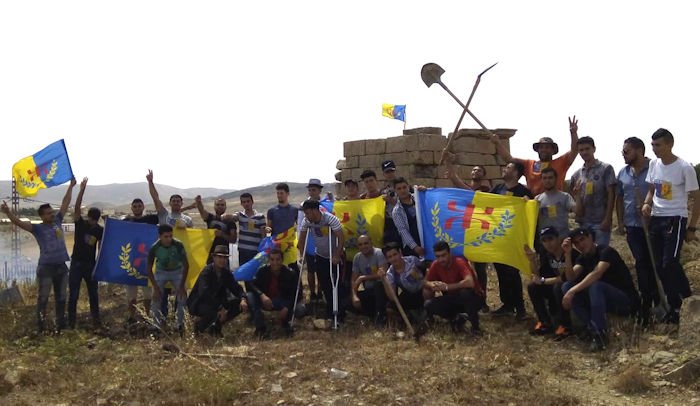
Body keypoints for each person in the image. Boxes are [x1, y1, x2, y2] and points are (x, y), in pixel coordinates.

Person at [1, 178, 76, 333]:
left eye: (52, 212)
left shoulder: (58, 221)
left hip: (61, 266)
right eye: (49, 213)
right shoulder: (37, 229)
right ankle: (41, 327)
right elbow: (18, 223)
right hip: (46, 268)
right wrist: (8, 212)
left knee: (62, 297)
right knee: (43, 298)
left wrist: (71, 186)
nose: (52, 215)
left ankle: (61, 326)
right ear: (42, 216)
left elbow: (65, 202)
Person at [642, 128, 699, 325]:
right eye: (652, 145)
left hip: (675, 218)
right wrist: (647, 203)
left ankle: (683, 299)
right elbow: (652, 189)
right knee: (659, 265)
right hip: (657, 218)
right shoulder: (653, 164)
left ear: (669, 145)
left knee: (670, 263)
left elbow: (696, 198)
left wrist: (691, 227)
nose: (654, 149)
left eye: (658, 145)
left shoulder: (684, 167)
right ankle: (676, 304)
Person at [561, 228, 640, 351]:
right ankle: (591, 329)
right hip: (602, 300)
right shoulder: (583, 258)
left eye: (583, 239)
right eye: (577, 243)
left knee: (595, 286)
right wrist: (567, 254)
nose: (581, 244)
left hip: (624, 300)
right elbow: (570, 277)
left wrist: (572, 292)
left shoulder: (606, 251)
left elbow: (596, 274)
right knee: (566, 286)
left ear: (591, 237)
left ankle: (600, 334)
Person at [615, 137, 658, 326]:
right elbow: (619, 199)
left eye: (627, 151)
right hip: (633, 226)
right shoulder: (623, 173)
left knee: (656, 264)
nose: (623, 154)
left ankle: (662, 301)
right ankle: (646, 304)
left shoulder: (655, 168)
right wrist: (621, 222)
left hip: (655, 225)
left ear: (639, 150)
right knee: (641, 264)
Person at [491, 116, 579, 195]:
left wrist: (573, 133)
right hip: (533, 206)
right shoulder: (528, 164)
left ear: (553, 150)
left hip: (556, 205)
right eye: (541, 147)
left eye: (547, 147)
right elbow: (508, 158)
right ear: (537, 150)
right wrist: (498, 143)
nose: (544, 150)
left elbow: (574, 150)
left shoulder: (561, 162)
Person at [490, 162, 533, 320]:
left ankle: (520, 307)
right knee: (501, 271)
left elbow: (530, 214)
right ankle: (507, 304)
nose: (504, 169)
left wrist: (528, 203)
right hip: (497, 237)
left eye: (508, 168)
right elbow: (485, 202)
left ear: (516, 173)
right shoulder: (498, 188)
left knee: (512, 273)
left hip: (514, 239)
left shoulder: (523, 191)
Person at [525, 227, 578, 340]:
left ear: (558, 239)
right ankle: (544, 322)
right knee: (532, 286)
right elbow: (538, 276)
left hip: (572, 289)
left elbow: (567, 278)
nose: (548, 243)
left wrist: (544, 281)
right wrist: (532, 260)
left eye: (550, 239)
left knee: (559, 286)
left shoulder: (570, 253)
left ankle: (565, 326)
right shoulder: (547, 255)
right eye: (544, 240)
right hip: (554, 287)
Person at [298, 199, 345, 324]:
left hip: (335, 255)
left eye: (308, 213)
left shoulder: (330, 219)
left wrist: (337, 254)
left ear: (315, 210)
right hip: (320, 255)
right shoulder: (307, 221)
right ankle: (330, 311)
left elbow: (341, 237)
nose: (306, 216)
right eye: (305, 213)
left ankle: (340, 313)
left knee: (336, 284)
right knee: (325, 285)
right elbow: (301, 238)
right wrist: (302, 254)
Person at [423, 241, 485, 335]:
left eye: (443, 255)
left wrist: (447, 287)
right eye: (438, 256)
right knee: (428, 303)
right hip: (453, 298)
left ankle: (475, 327)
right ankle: (454, 318)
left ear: (449, 253)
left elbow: (470, 282)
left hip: (474, 298)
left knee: (465, 293)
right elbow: (425, 282)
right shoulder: (436, 265)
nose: (441, 259)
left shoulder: (459, 262)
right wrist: (431, 284)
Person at [187, 245, 247, 336]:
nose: (222, 260)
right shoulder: (206, 272)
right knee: (212, 312)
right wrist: (220, 308)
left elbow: (236, 288)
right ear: (214, 257)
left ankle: (216, 327)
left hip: (218, 302)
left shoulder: (226, 273)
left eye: (225, 258)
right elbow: (204, 293)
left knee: (238, 305)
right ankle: (199, 329)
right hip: (200, 303)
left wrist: (243, 299)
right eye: (219, 257)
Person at [68, 177, 104, 329]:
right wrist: (81, 189)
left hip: (86, 264)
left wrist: (82, 189)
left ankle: (92, 321)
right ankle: (73, 323)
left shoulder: (93, 227)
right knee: (79, 295)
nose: (92, 222)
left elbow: (101, 248)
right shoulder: (83, 224)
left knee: (89, 295)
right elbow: (76, 208)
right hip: (81, 263)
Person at [569, 136, 617, 246]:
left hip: (600, 221)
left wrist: (608, 218)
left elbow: (611, 194)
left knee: (601, 253)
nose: (584, 152)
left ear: (594, 149)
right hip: (583, 222)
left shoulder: (606, 168)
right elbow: (575, 197)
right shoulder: (576, 175)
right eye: (581, 150)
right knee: (587, 254)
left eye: (587, 149)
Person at [146, 224, 189, 333]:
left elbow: (186, 265)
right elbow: (149, 268)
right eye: (166, 237)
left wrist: (182, 285)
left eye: (171, 236)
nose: (169, 239)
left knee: (182, 297)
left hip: (177, 271)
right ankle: (156, 325)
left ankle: (180, 324)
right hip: (161, 272)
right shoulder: (154, 247)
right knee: (155, 298)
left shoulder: (178, 244)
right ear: (160, 236)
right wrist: (155, 288)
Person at [122, 198, 159, 323]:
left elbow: (163, 215)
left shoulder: (151, 219)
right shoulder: (127, 221)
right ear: (131, 208)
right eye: (135, 206)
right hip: (131, 260)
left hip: (146, 261)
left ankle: (148, 316)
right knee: (131, 294)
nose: (137, 208)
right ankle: (131, 317)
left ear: (143, 207)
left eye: (139, 206)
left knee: (147, 293)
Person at [248, 248, 299, 338]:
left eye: (277, 259)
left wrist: (287, 307)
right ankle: (260, 328)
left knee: (299, 309)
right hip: (265, 300)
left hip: (281, 301)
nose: (275, 263)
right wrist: (262, 295)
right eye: (272, 259)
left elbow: (296, 294)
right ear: (268, 260)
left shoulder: (290, 273)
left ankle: (285, 325)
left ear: (282, 260)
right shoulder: (262, 271)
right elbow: (252, 285)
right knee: (250, 296)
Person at [377, 242, 427, 325]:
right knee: (390, 308)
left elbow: (426, 269)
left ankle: (426, 316)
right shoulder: (390, 273)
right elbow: (392, 297)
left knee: (426, 292)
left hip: (422, 290)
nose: (393, 258)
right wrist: (383, 279)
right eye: (390, 257)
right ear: (387, 259)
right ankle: (407, 319)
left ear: (400, 252)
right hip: (409, 294)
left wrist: (424, 280)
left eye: (395, 254)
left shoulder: (412, 260)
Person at [350, 235, 388, 326]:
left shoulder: (379, 253)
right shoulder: (357, 258)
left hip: (383, 290)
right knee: (347, 302)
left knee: (378, 285)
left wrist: (363, 278)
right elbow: (353, 280)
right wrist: (354, 296)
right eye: (360, 244)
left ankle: (381, 317)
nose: (363, 246)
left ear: (371, 243)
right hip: (368, 291)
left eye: (366, 243)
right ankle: (369, 315)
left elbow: (383, 274)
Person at [535, 167, 576, 239]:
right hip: (545, 241)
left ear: (556, 179)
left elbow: (577, 211)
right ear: (541, 180)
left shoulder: (565, 197)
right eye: (544, 178)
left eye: (550, 178)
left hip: (562, 239)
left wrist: (577, 195)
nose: (547, 181)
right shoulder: (537, 199)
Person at [194, 196, 237, 263]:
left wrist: (222, 234)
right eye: (218, 205)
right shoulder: (210, 218)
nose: (220, 206)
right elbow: (202, 211)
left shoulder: (230, 222)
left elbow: (233, 240)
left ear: (225, 207)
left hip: (223, 256)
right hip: (210, 254)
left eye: (222, 205)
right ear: (214, 206)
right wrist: (199, 202)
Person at [392, 177, 425, 257]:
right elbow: (403, 231)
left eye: (404, 187)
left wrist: (425, 191)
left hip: (427, 239)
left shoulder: (419, 198)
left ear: (408, 187)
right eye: (399, 189)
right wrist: (415, 247)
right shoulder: (397, 211)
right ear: (395, 191)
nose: (402, 190)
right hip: (412, 248)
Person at [232, 192, 266, 266]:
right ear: (241, 204)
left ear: (252, 202)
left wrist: (262, 250)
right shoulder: (240, 215)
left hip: (255, 251)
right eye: (244, 202)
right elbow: (232, 218)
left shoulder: (260, 216)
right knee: (243, 273)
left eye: (248, 201)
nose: (246, 204)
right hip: (242, 251)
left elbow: (263, 235)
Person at [379, 161, 401, 245]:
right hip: (389, 223)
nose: (390, 174)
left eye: (391, 171)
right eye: (387, 172)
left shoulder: (403, 187)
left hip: (402, 220)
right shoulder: (382, 191)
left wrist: (391, 201)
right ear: (384, 174)